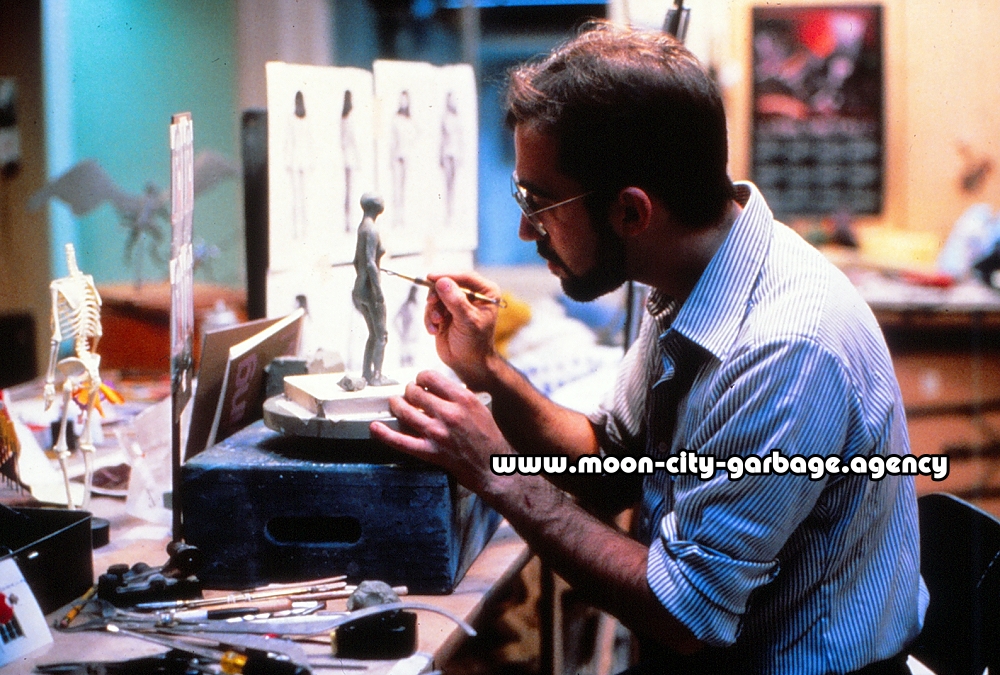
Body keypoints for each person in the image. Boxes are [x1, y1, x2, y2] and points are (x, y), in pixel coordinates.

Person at [370, 22, 926, 675]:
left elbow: (684, 613)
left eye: (539, 202)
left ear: (632, 213)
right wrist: (487, 370)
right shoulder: (690, 278)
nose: (525, 229)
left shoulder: (787, 349)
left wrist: (499, 474)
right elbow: (612, 464)